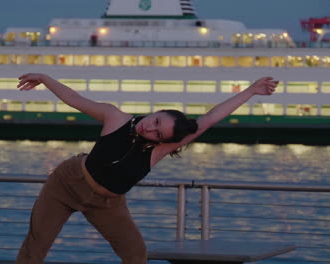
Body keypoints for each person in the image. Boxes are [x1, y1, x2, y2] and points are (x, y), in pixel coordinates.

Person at [15, 73, 278, 264]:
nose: (149, 129)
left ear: (163, 142)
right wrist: (45, 78)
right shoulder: (115, 117)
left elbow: (209, 119)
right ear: (158, 111)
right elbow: (75, 99)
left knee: (135, 254)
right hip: (66, 183)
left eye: (157, 133)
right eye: (155, 121)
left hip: (106, 202)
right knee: (35, 247)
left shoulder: (158, 150)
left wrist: (251, 91)